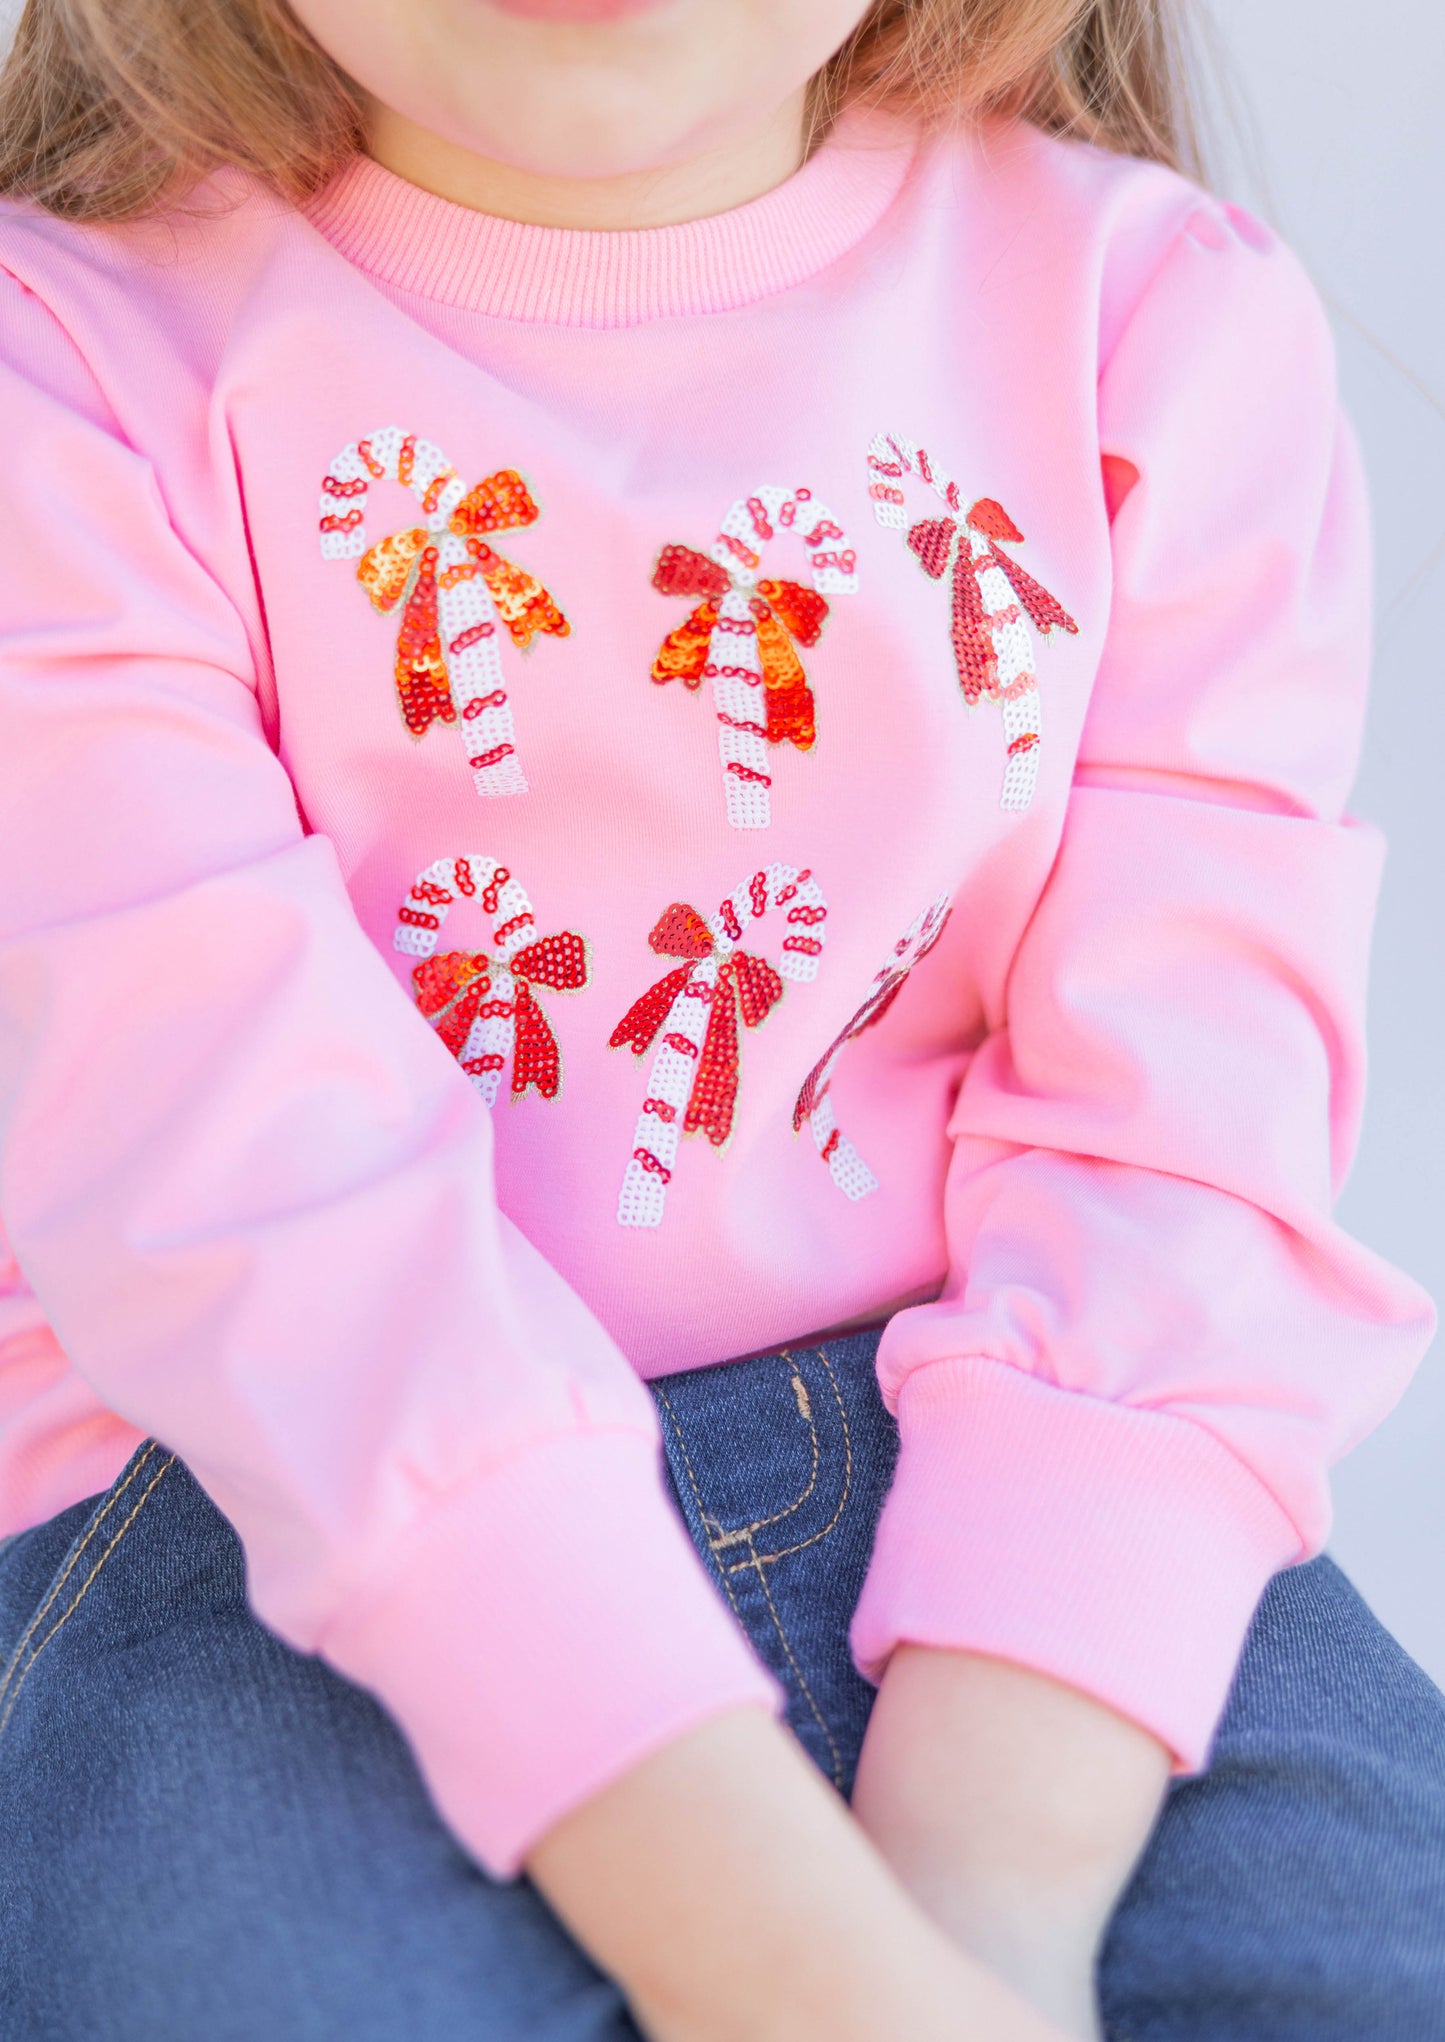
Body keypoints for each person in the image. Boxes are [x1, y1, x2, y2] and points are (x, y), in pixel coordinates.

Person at [0, 0, 1441, 2036]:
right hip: (238, 1513)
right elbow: (266, 1214)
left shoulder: (1155, 323)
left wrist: (987, 1907)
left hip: (1048, 1451)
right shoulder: (60, 378)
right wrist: (815, 1978)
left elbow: (1177, 1157)